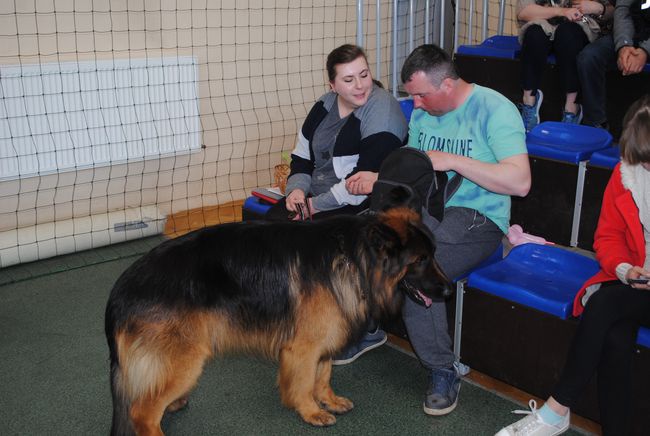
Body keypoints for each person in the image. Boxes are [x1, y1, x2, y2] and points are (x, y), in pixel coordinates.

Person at [345, 44, 531, 415]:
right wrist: (378, 178)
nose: (414, 105)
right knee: (364, 236)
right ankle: (371, 325)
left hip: (479, 218)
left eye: (419, 95)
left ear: (447, 84)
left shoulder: (495, 110)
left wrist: (453, 161)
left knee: (419, 269)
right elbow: (414, 172)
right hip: (427, 210)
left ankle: (443, 369)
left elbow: (521, 182)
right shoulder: (425, 113)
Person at [496, 94, 650, 436]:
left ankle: (557, 409)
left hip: (630, 294)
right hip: (635, 285)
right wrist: (626, 269)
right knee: (614, 333)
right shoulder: (627, 173)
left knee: (606, 303)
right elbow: (607, 237)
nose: (644, 168)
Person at [266, 44, 408, 221]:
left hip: (357, 204)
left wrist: (313, 206)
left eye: (364, 75)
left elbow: (362, 182)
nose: (360, 85)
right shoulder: (324, 104)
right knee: (268, 227)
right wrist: (296, 190)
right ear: (332, 86)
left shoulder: (383, 110)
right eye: (348, 80)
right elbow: (302, 157)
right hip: (315, 195)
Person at [516, 0, 609, 131]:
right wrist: (562, 11)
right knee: (534, 34)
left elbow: (612, 10)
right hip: (543, 22)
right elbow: (523, 11)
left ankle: (571, 109)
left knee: (568, 33)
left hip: (578, 25)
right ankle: (529, 103)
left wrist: (599, 8)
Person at [578, 0, 649, 130]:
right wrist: (624, 45)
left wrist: (645, 51)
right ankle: (596, 124)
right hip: (633, 33)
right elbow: (623, 10)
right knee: (589, 57)